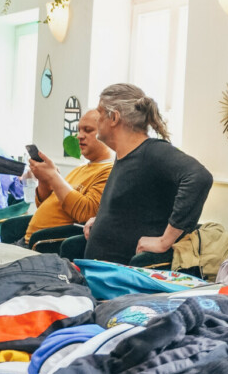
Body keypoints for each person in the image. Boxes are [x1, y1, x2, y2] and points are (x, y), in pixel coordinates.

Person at [79, 84, 213, 265]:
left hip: (123, 281)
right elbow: (135, 207)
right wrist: (101, 221)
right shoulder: (124, 156)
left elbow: (199, 177)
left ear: (114, 118)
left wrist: (165, 241)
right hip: (99, 274)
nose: (97, 121)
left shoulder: (153, 152)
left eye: (100, 114)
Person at [22, 110, 114, 244]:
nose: (79, 136)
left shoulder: (108, 171)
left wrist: (53, 177)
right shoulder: (79, 170)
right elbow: (45, 205)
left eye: (88, 130)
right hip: (28, 241)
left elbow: (86, 214)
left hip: (47, 248)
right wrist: (44, 180)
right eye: (79, 130)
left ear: (106, 134)